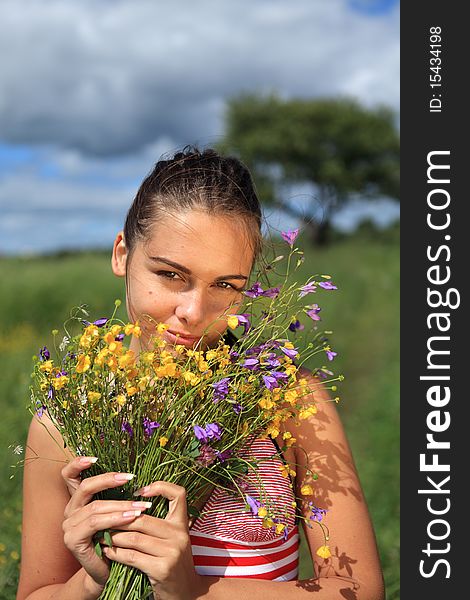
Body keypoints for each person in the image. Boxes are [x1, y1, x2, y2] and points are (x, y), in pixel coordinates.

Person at [17, 147, 385, 600]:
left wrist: (192, 592)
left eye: (226, 286)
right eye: (171, 275)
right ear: (121, 254)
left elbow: (358, 589)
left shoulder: (287, 399)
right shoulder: (66, 419)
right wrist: (93, 580)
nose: (194, 311)